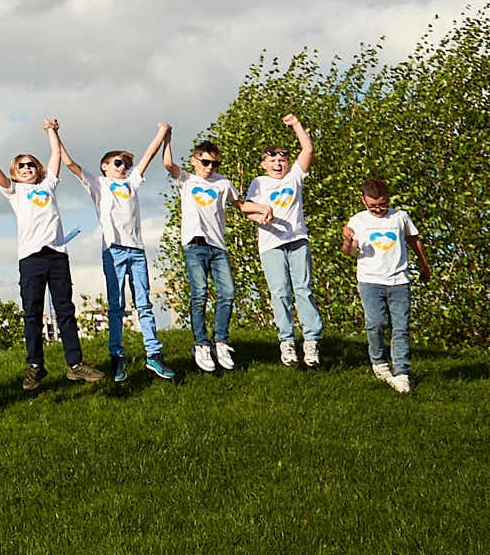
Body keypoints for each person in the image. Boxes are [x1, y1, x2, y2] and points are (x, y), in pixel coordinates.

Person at [0, 122, 105, 390]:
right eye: (22, 166)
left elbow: (56, 155)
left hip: (57, 255)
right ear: (15, 173)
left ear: (38, 169)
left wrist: (52, 131)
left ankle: (75, 364)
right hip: (31, 259)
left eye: (31, 165)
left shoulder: (48, 185)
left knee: (65, 310)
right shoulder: (14, 190)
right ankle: (35, 366)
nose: (27, 168)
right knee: (32, 314)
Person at [75, 123, 177, 382]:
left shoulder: (131, 182)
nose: (123, 168)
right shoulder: (98, 183)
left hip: (137, 250)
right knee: (116, 305)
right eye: (118, 163)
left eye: (126, 165)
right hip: (114, 250)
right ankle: (117, 357)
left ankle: (154, 354)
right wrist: (52, 132)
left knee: (144, 302)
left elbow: (148, 156)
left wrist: (162, 134)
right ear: (105, 166)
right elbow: (70, 164)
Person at [244, 113, 322, 368]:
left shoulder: (294, 177)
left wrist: (297, 125)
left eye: (282, 160)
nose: (278, 164)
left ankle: (311, 341)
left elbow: (308, 150)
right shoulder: (259, 182)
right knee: (279, 292)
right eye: (272, 160)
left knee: (303, 289)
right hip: (271, 244)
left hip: (297, 239)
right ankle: (287, 341)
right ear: (264, 164)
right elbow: (246, 208)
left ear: (288, 163)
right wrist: (260, 215)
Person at [341, 179, 428, 394]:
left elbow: (414, 240)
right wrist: (348, 241)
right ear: (364, 201)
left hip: (399, 280)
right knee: (376, 323)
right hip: (370, 280)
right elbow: (349, 252)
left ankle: (402, 372)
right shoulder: (358, 221)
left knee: (401, 327)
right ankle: (379, 363)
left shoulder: (400, 217)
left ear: (389, 199)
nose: (379, 209)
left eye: (383, 204)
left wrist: (424, 264)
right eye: (373, 206)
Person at [163, 138, 241, 371]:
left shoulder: (223, 183)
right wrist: (167, 137)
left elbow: (241, 205)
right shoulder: (186, 179)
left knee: (228, 292)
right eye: (205, 162)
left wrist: (264, 210)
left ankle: (220, 341)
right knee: (199, 294)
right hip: (194, 245)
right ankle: (201, 344)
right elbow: (168, 164)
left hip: (217, 246)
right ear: (194, 160)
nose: (209, 167)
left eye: (214, 164)